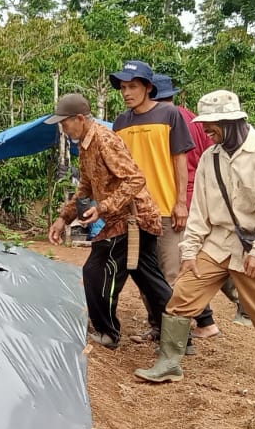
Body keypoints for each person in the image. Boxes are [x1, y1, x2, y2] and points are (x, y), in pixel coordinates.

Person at [134, 90, 255, 402]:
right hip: (217, 242)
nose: (206, 130)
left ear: (231, 121)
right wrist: (189, 251)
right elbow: (199, 211)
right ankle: (169, 362)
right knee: (183, 295)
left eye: (212, 125)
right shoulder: (210, 158)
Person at [44, 93, 174, 350]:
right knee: (149, 279)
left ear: (80, 118)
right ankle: (180, 335)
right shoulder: (84, 144)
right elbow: (85, 188)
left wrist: (104, 207)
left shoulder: (104, 140)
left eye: (65, 122)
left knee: (95, 270)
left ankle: (107, 332)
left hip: (132, 219)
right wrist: (63, 218)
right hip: (124, 217)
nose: (63, 127)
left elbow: (135, 179)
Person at [109, 61, 217, 346]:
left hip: (166, 209)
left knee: (170, 275)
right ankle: (157, 326)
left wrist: (181, 203)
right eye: (123, 88)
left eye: (133, 86)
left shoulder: (170, 115)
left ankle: (179, 340)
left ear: (148, 88)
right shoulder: (121, 122)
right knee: (143, 273)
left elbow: (180, 161)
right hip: (134, 212)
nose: (126, 93)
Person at [152, 73, 247, 328]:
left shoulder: (165, 121)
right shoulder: (194, 119)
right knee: (210, 255)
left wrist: (180, 201)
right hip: (204, 195)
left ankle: (200, 323)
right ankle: (232, 307)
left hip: (180, 198)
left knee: (179, 266)